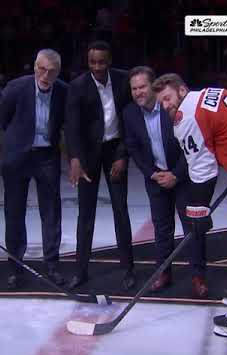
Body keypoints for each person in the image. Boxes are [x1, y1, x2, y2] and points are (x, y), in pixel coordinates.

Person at [152, 73, 227, 331]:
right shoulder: (208, 93)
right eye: (161, 104)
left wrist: (197, 213)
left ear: (182, 90)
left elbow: (202, 169)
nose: (166, 107)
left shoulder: (186, 117)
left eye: (167, 98)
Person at [123, 66, 210, 297]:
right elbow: (133, 147)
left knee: (192, 228)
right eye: (134, 88)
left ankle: (198, 276)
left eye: (142, 87)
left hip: (182, 177)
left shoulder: (171, 108)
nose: (138, 92)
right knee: (162, 230)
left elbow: (189, 146)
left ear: (152, 87)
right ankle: (163, 273)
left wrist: (176, 175)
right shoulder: (130, 113)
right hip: (156, 179)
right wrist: (152, 173)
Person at [64, 40, 136, 290]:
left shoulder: (123, 80)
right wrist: (75, 159)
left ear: (110, 61)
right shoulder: (77, 86)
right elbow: (71, 127)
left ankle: (128, 269)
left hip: (115, 150)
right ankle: (80, 271)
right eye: (92, 62)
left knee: (120, 210)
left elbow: (130, 121)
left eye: (102, 62)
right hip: (88, 156)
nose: (97, 66)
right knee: (86, 215)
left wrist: (123, 155)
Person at [0, 49, 69, 289]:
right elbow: (3, 118)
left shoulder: (63, 91)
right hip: (17, 157)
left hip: (47, 156)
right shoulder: (15, 88)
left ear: (58, 72)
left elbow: (65, 125)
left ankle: (52, 265)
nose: (45, 75)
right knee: (14, 213)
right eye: (42, 68)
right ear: (34, 66)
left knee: (51, 213)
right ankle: (16, 268)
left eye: (51, 71)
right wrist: (19, 142)